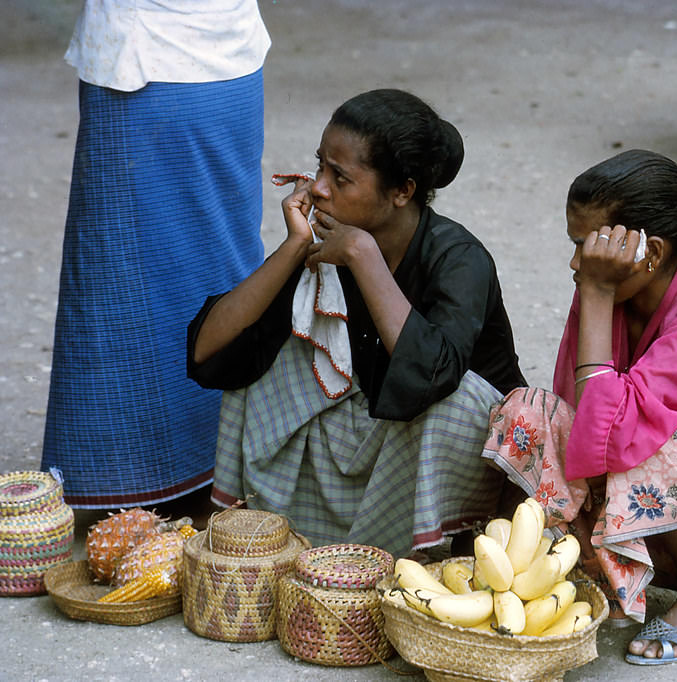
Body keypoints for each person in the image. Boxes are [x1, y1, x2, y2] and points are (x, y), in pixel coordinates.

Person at [482, 149, 677, 664]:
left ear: (649, 251)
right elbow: (576, 419)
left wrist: (599, 291)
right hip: (631, 508)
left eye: (588, 245)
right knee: (527, 407)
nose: (575, 262)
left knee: (634, 431)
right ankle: (574, 563)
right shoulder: (602, 295)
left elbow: (610, 433)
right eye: (575, 244)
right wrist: (598, 295)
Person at [186, 89, 527, 557]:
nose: (319, 187)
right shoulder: (324, 244)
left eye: (340, 177)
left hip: (457, 445)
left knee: (451, 398)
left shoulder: (457, 257)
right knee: (265, 362)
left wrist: (365, 257)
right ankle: (300, 536)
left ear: (402, 192)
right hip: (374, 434)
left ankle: (440, 548)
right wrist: (292, 248)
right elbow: (210, 352)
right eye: (320, 166)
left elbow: (431, 378)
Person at [42, 1, 271, 508]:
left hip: (150, 67)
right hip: (224, 54)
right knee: (219, 260)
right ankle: (222, 469)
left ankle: (141, 480)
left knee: (122, 279)